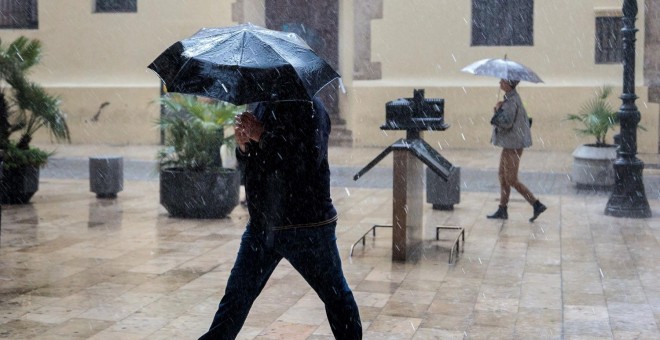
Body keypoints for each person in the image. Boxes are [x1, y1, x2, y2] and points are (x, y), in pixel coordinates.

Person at [199, 98, 362, 339]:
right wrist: (244, 146)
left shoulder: (312, 109)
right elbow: (255, 163)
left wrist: (262, 135)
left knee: (336, 296)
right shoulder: (264, 106)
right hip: (263, 225)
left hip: (307, 226)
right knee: (236, 297)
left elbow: (304, 162)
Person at [487, 79, 547, 222]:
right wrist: (501, 106)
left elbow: (506, 123)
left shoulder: (512, 101)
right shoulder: (510, 99)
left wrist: (497, 111)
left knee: (511, 179)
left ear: (510, 84)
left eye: (502, 81)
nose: (499, 83)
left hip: (514, 144)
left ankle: (536, 204)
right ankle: (502, 208)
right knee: (502, 176)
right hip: (509, 144)